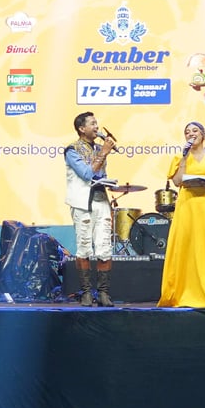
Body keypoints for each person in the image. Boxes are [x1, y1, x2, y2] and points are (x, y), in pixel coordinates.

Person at [158, 121, 205, 308]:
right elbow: (177, 182)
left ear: (203, 135)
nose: (191, 134)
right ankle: (182, 293)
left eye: (195, 130)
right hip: (187, 206)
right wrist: (183, 158)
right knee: (186, 246)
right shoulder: (179, 157)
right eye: (187, 132)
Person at [64, 111, 117, 306]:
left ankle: (103, 293)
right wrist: (104, 152)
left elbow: (100, 174)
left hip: (101, 201)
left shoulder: (98, 148)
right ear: (81, 128)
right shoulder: (72, 150)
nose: (97, 127)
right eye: (92, 124)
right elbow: (86, 174)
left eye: (97, 124)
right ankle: (86, 292)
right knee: (84, 247)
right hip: (82, 204)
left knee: (104, 247)